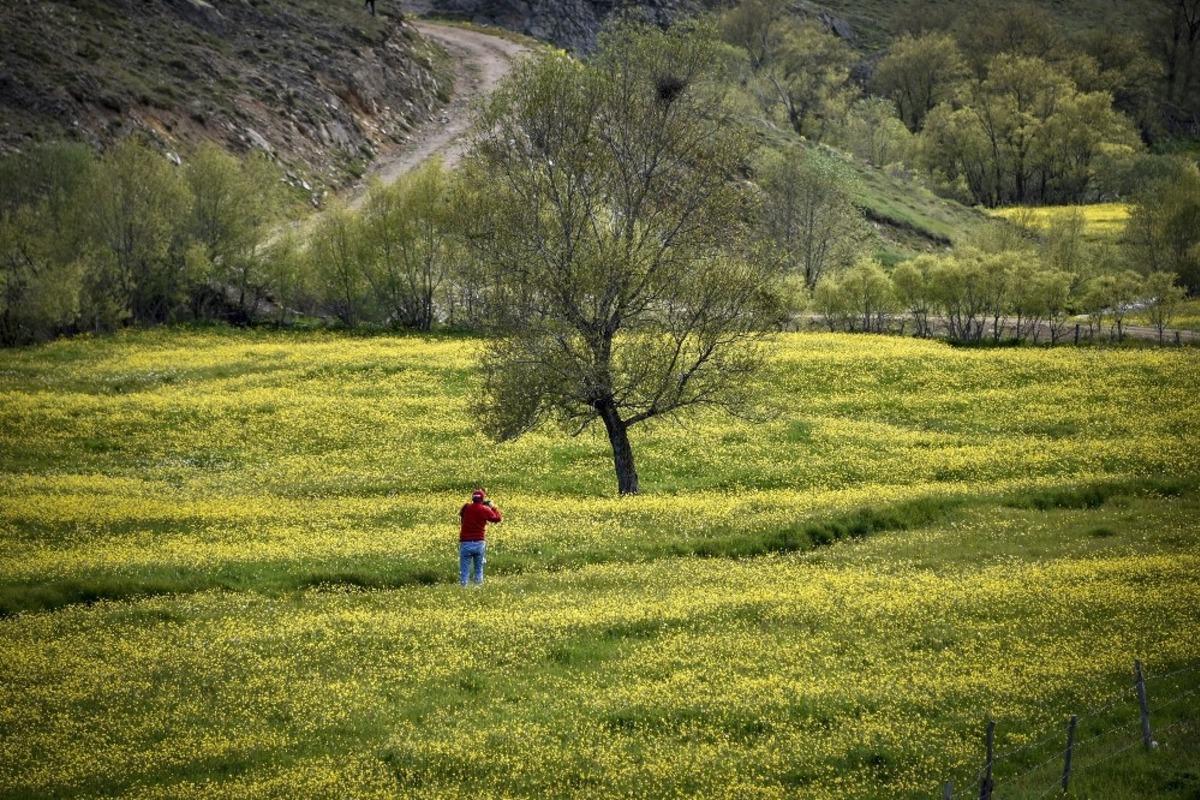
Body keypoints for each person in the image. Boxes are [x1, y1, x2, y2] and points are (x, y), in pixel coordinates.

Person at [458, 489, 501, 586]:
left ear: (472, 498)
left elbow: (462, 514)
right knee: (479, 570)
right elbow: (498, 518)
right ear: (482, 499)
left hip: (465, 543)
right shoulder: (485, 509)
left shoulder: (466, 507)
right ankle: (478, 589)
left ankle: (463, 590)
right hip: (479, 543)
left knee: (464, 571)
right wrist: (493, 507)